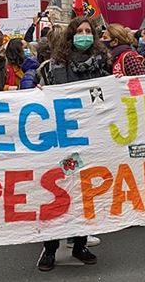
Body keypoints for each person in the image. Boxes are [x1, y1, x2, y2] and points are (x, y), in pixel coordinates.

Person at [38, 16, 110, 272]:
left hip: (91, 137)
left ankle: (80, 244)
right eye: (79, 31)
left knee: (85, 194)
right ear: (70, 35)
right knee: (58, 194)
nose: (84, 34)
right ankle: (50, 248)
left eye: (88, 31)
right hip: (62, 139)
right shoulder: (57, 64)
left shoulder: (103, 63)